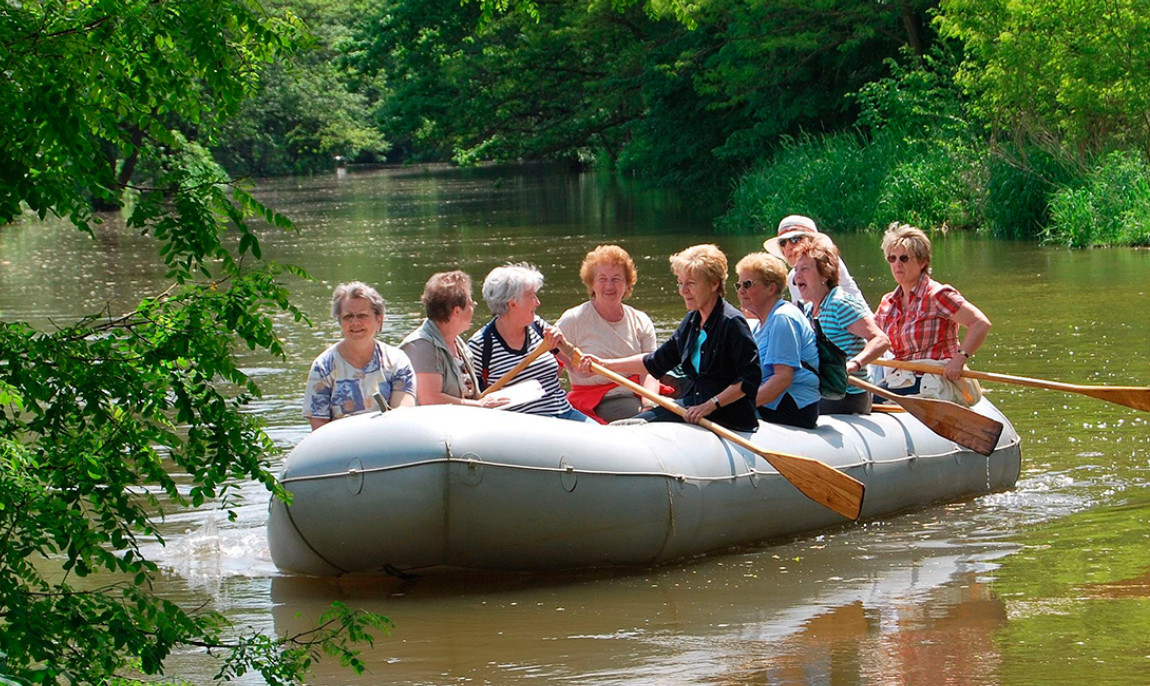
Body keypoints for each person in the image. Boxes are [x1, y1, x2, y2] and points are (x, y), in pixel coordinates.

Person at [577, 244, 761, 432]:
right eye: (680, 283)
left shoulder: (732, 322)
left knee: (641, 427)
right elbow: (656, 361)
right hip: (693, 406)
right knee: (633, 424)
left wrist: (710, 405)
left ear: (714, 284)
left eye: (691, 284)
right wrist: (605, 365)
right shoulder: (692, 321)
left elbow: (749, 379)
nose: (683, 291)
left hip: (727, 417)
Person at [873, 222, 992, 401]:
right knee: (863, 397)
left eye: (904, 258)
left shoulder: (937, 296)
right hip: (903, 378)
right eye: (892, 258)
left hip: (936, 377)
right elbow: (870, 337)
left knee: (873, 399)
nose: (897, 264)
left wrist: (959, 360)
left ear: (922, 262)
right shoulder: (887, 303)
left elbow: (980, 323)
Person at [468, 263, 593, 422]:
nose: (538, 302)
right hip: (523, 430)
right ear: (513, 304)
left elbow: (575, 367)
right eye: (532, 296)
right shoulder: (480, 346)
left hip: (564, 414)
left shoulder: (538, 326)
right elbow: (469, 402)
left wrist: (566, 346)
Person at [556, 245, 660, 423]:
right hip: (600, 401)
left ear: (627, 283)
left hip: (638, 396)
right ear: (592, 283)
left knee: (673, 415)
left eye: (616, 279)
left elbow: (650, 371)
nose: (609, 286)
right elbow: (552, 364)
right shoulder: (573, 320)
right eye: (602, 279)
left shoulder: (641, 320)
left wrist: (649, 405)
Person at [790, 236, 891, 415]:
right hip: (823, 391)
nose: (796, 276)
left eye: (804, 269)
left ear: (824, 274)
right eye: (796, 269)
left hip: (848, 395)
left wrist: (855, 364)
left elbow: (881, 340)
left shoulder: (840, 304)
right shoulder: (808, 310)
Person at [303, 281, 416, 430]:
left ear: (379, 319)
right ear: (340, 321)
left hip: (388, 442)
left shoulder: (397, 362)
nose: (355, 322)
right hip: (340, 448)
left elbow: (402, 416)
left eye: (362, 315)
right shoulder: (323, 367)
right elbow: (319, 429)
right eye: (348, 316)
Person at [734, 252, 821, 429]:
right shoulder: (760, 325)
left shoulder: (783, 319)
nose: (741, 291)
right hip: (771, 403)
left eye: (748, 284)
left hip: (791, 407)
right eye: (739, 285)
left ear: (771, 288)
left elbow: (782, 379)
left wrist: (741, 406)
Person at [400, 271, 508, 409]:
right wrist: (479, 405)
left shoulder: (456, 342)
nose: (474, 306)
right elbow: (430, 399)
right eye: (471, 303)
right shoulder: (421, 346)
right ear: (457, 311)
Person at [763, 214, 865, 307]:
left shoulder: (826, 263)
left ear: (812, 243)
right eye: (783, 243)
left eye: (795, 239)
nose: (788, 247)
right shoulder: (792, 277)